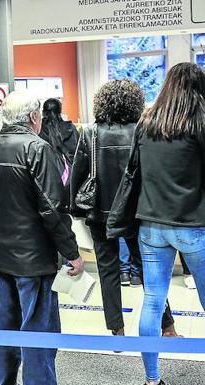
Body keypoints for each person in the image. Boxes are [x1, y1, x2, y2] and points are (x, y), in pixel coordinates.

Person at [0, 90, 84, 385]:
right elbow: (53, 208)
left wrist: (1, 222)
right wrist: (72, 252)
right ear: (34, 117)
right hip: (35, 260)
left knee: (5, 329)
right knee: (38, 333)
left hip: (1, 256)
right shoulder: (39, 149)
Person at [70, 80, 177, 338]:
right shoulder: (143, 130)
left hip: (100, 214)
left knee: (108, 271)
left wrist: (75, 207)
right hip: (137, 212)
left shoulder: (90, 133)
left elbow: (77, 173)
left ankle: (117, 331)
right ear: (135, 102)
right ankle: (168, 327)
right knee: (150, 272)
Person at [122, 62, 205, 385]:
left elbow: (134, 172)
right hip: (194, 224)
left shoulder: (147, 123)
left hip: (151, 225)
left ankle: (152, 379)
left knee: (153, 301)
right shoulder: (200, 122)